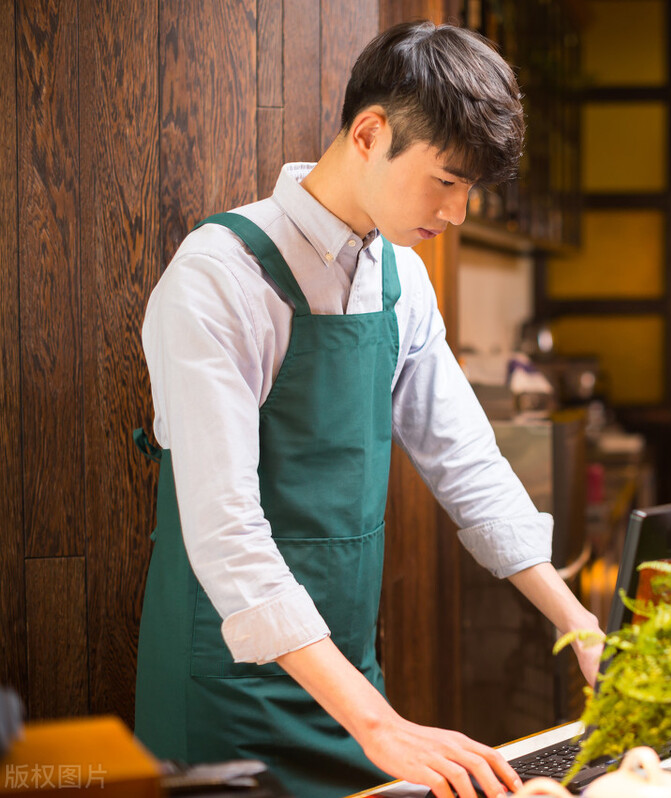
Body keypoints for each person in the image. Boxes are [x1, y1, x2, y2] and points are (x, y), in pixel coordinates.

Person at [133, 21, 603, 798]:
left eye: (471, 192)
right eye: (445, 181)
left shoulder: (402, 282)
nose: (456, 213)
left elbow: (468, 464)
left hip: (350, 682)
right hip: (226, 690)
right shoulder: (219, 277)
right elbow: (226, 536)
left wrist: (575, 622)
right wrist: (381, 724)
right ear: (370, 133)